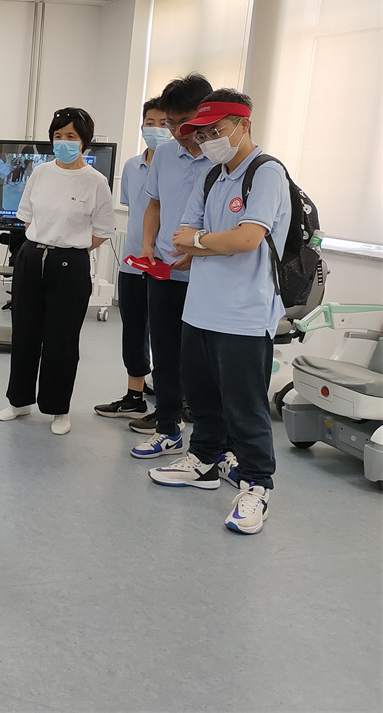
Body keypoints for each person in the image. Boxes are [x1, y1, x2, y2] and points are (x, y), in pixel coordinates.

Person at [148, 90, 290, 535]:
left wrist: (203, 242)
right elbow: (181, 236)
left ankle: (256, 484)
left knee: (245, 405)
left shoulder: (266, 173)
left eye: (216, 130)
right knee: (202, 394)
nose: (208, 139)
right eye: (203, 133)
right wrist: (209, 242)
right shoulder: (213, 176)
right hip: (200, 308)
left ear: (244, 124)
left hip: (245, 313)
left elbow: (247, 240)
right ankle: (205, 461)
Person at [0, 107, 116, 435]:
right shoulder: (40, 173)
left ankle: (58, 408)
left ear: (84, 142)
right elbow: (26, 217)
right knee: (24, 333)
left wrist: (71, 248)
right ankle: (19, 401)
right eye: (58, 136)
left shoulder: (96, 182)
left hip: (71, 263)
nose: (63, 142)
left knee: (62, 341)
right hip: (32, 257)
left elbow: (103, 230)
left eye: (71, 136)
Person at [130, 73, 213, 452]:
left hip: (206, 275)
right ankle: (167, 429)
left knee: (202, 361)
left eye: (184, 122)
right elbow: (155, 204)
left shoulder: (222, 158)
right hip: (163, 271)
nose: (177, 131)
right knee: (163, 356)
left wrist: (196, 252)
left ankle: (212, 444)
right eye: (169, 123)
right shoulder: (165, 154)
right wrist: (148, 245)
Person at [94, 98, 167, 420]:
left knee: (165, 337)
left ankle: (170, 403)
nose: (156, 129)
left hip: (168, 266)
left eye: (164, 123)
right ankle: (134, 396)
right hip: (133, 263)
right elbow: (135, 209)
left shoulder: (180, 167)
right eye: (150, 122)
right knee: (133, 333)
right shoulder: (131, 167)